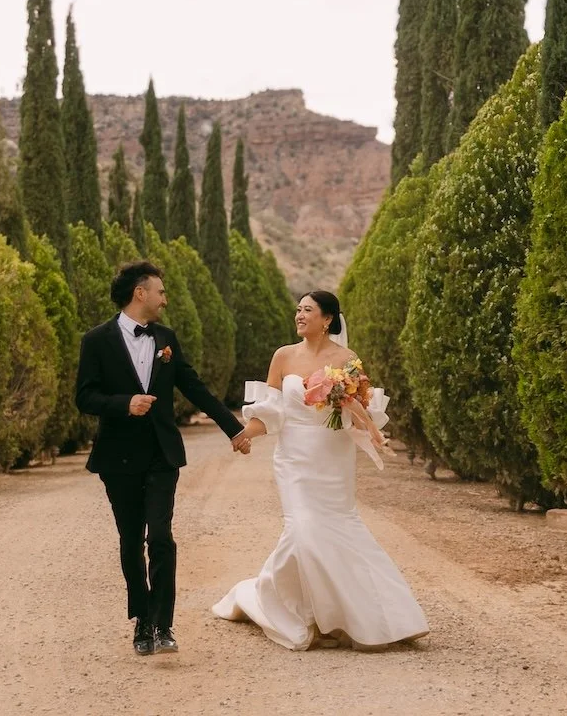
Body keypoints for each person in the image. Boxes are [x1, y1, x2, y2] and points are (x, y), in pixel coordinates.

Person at [211, 289, 429, 650]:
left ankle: (372, 617)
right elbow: (271, 412)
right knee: (305, 529)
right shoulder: (283, 356)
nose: (299, 315)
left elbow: (359, 407)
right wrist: (243, 434)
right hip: (295, 457)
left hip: (333, 455)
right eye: (298, 309)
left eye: (307, 310)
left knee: (339, 528)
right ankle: (294, 608)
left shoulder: (347, 359)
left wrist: (370, 428)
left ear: (327, 319)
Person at [76, 259, 250, 657]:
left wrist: (234, 429)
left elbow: (195, 386)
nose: (165, 299)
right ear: (141, 292)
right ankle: (142, 620)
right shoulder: (96, 340)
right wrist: (125, 403)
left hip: (161, 454)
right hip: (117, 457)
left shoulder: (166, 338)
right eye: (161, 291)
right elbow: (84, 397)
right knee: (130, 539)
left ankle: (164, 623)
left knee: (162, 536)